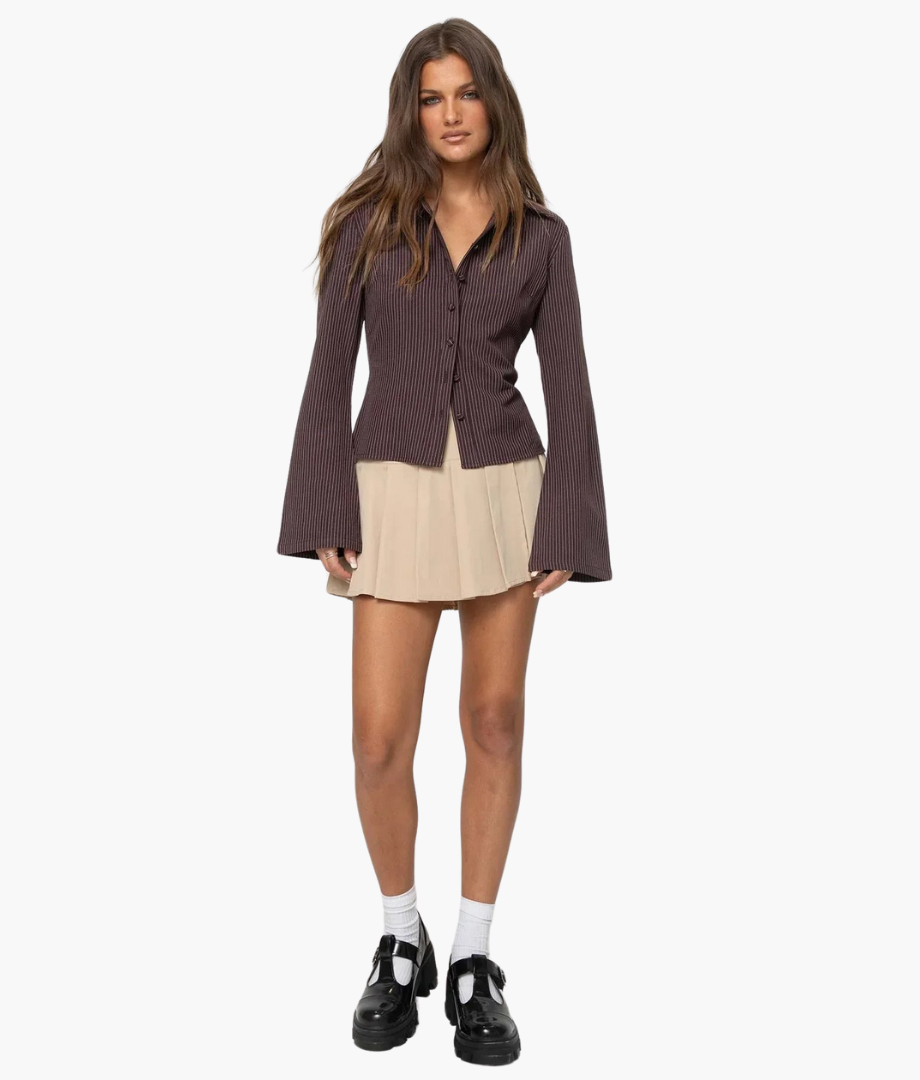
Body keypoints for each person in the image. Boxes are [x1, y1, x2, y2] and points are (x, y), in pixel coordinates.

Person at [276, 18, 612, 1066]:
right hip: (390, 489)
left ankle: (473, 956)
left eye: (466, 93)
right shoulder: (367, 225)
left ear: (493, 102)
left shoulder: (541, 237)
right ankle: (399, 935)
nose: (451, 113)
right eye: (431, 97)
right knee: (378, 740)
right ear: (410, 111)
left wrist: (570, 521)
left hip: (508, 493)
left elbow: (571, 385)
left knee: (495, 723)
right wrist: (323, 509)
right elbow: (329, 374)